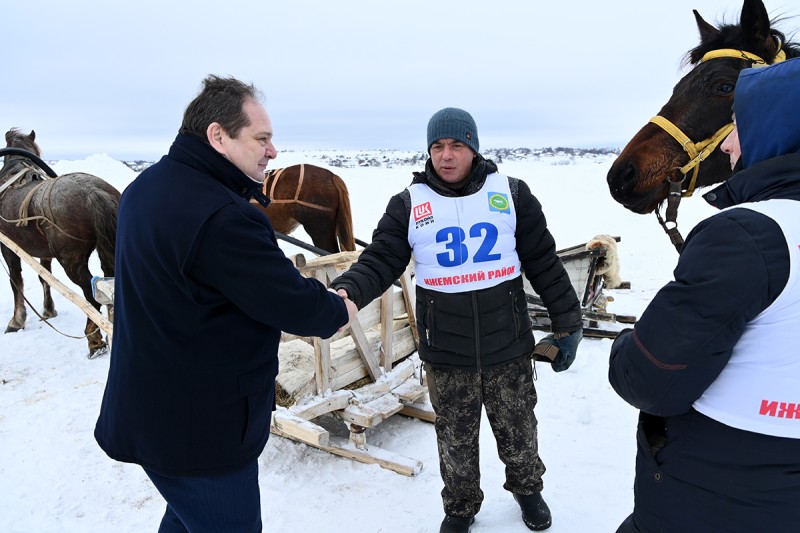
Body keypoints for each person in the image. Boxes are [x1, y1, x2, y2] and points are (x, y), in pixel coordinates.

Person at [94, 74, 358, 532]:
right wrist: (338, 307)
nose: (273, 151)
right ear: (218, 136)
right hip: (203, 433)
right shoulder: (223, 217)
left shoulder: (144, 190)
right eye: (262, 138)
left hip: (152, 411)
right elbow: (294, 303)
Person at [329, 107, 583, 532]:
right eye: (437, 146)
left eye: (456, 145)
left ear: (474, 148)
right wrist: (348, 291)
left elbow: (543, 261)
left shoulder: (513, 193)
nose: (446, 156)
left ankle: (527, 488)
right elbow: (380, 259)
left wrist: (568, 322)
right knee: (455, 439)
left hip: (509, 343)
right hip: (447, 350)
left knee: (519, 428)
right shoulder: (409, 204)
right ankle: (461, 507)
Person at [609, 58, 800, 532]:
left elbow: (651, 380)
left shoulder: (747, 235)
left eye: (739, 124)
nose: (729, 142)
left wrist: (626, 347)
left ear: (776, 127)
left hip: (718, 491)